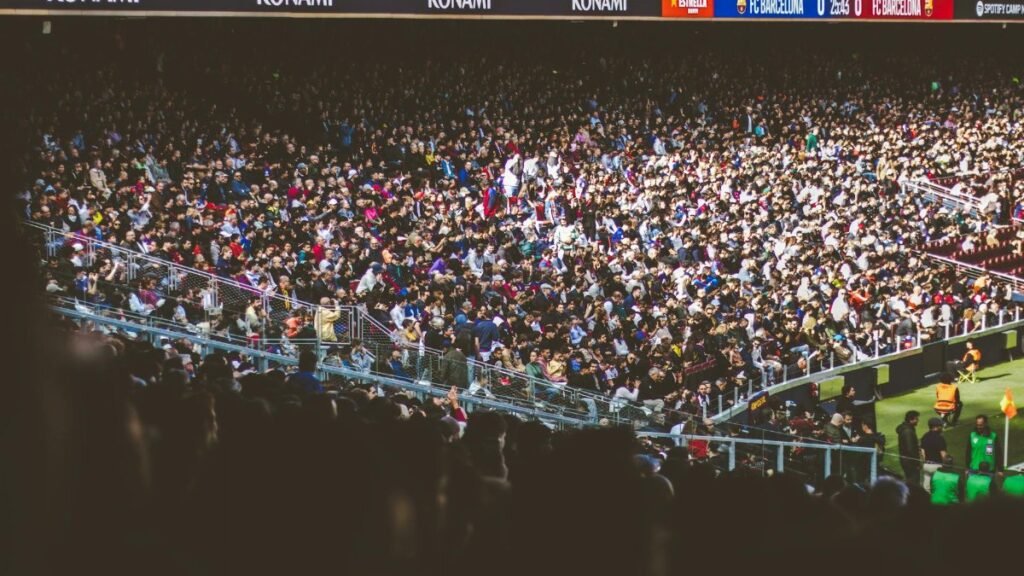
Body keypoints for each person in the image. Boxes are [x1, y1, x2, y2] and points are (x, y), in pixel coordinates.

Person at [920, 417, 948, 493]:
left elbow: (922, 452)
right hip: (937, 466)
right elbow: (943, 454)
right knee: (939, 486)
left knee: (926, 486)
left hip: (927, 465)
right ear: (935, 427)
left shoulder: (925, 436)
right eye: (940, 426)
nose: (941, 427)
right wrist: (946, 465)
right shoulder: (940, 438)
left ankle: (926, 498)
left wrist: (924, 462)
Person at [896, 410, 922, 486]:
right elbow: (910, 449)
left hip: (906, 460)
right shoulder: (908, 431)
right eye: (916, 419)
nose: (918, 421)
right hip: (910, 462)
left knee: (910, 480)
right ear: (911, 420)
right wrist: (917, 462)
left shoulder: (906, 429)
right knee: (914, 481)